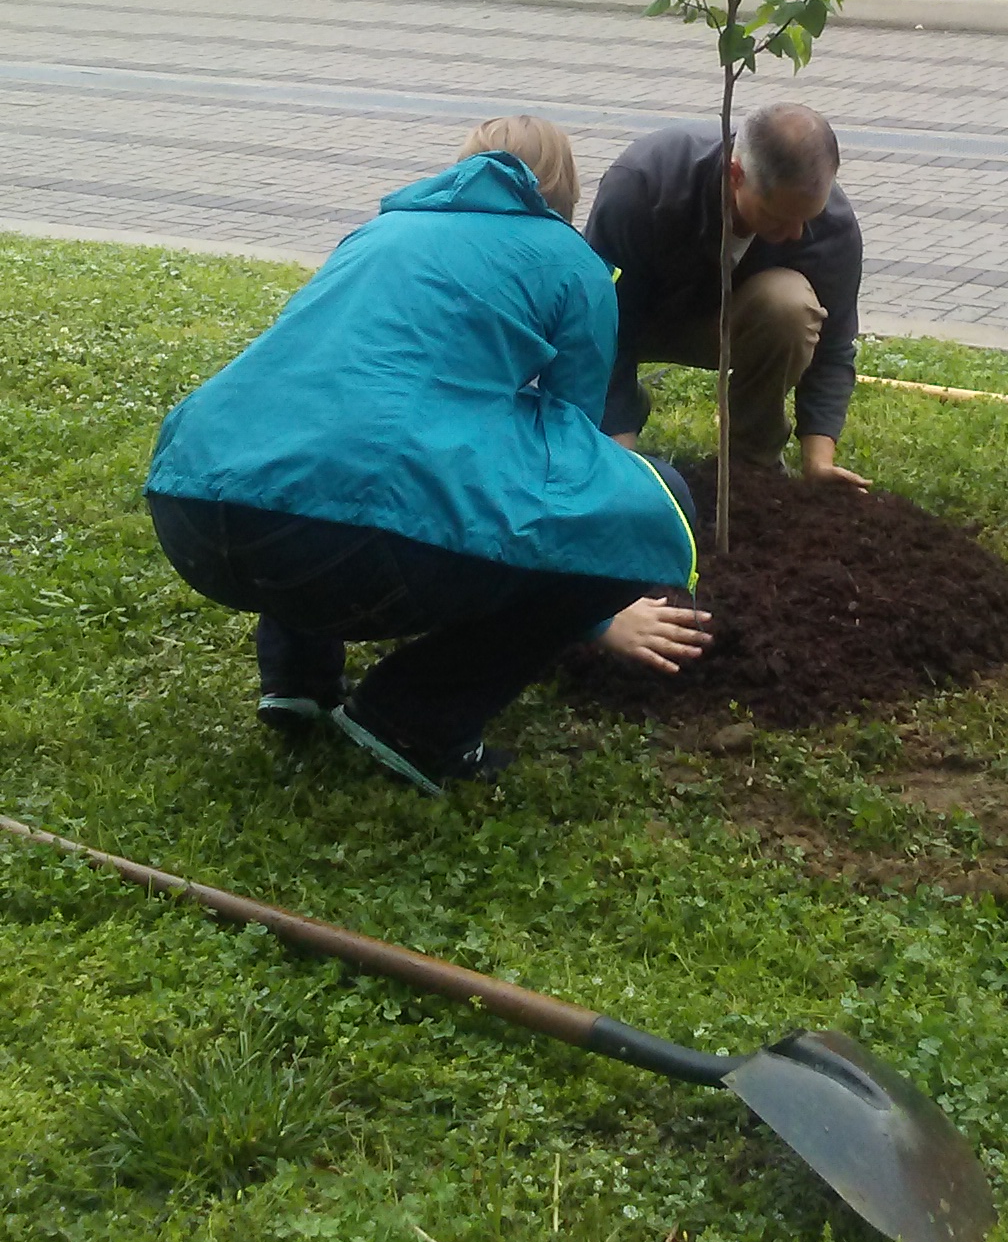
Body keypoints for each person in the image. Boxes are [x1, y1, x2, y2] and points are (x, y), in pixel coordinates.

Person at [145, 117, 709, 797]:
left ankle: (299, 680)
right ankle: (412, 716)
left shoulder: (378, 233)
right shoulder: (571, 264)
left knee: (323, 441)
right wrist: (599, 615)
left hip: (193, 513)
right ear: (564, 192)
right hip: (349, 554)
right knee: (661, 495)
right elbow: (574, 453)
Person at [585, 101, 868, 486]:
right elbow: (601, 322)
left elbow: (834, 347)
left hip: (733, 325)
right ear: (736, 175)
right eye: (779, 218)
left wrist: (818, 462)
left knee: (789, 306)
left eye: (808, 218)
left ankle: (750, 465)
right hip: (641, 317)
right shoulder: (644, 185)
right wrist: (620, 452)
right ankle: (624, 412)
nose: (797, 234)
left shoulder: (832, 224)